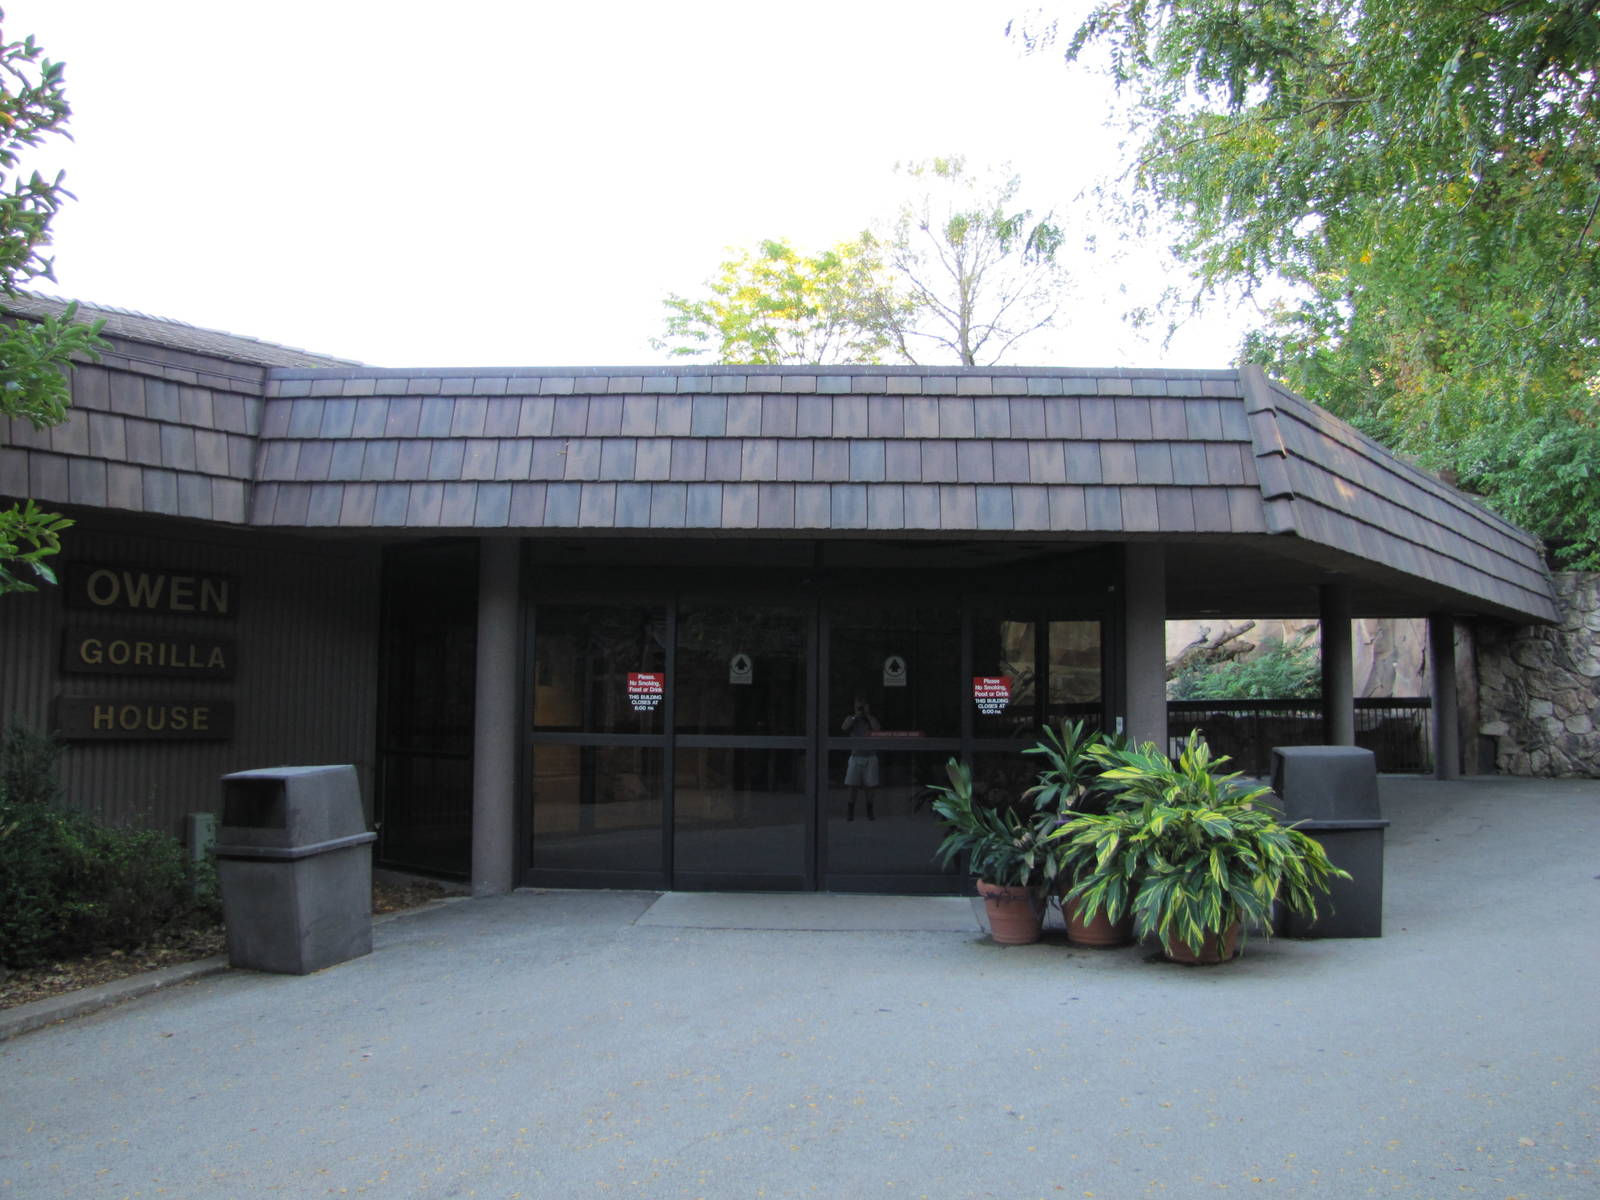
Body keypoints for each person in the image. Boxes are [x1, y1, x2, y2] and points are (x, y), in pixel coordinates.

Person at [841, 695, 881, 821]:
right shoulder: (851, 718)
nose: (860, 708)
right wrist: (855, 716)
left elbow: (877, 729)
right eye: (858, 706)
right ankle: (850, 811)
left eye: (862, 706)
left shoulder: (871, 719)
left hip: (871, 756)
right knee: (852, 786)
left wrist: (868, 715)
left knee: (870, 787)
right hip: (855, 756)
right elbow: (844, 727)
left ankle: (870, 810)